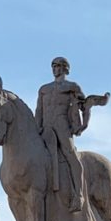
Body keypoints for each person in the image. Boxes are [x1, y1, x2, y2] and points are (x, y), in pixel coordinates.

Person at [35, 56, 86, 212]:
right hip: (46, 126)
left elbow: (83, 106)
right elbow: (39, 111)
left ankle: (79, 194)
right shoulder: (44, 89)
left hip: (62, 123)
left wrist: (82, 123)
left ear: (65, 68)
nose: (55, 69)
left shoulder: (72, 86)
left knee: (70, 154)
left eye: (58, 66)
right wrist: (37, 128)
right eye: (53, 66)